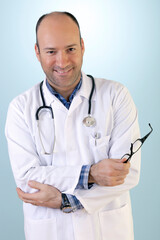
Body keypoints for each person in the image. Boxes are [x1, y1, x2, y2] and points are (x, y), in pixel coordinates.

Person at [5, 11, 141, 240]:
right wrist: (92, 173)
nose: (62, 62)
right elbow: (27, 179)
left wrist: (68, 201)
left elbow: (127, 174)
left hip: (108, 230)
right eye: (51, 52)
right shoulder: (20, 108)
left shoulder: (116, 96)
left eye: (70, 49)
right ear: (37, 52)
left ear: (83, 46)